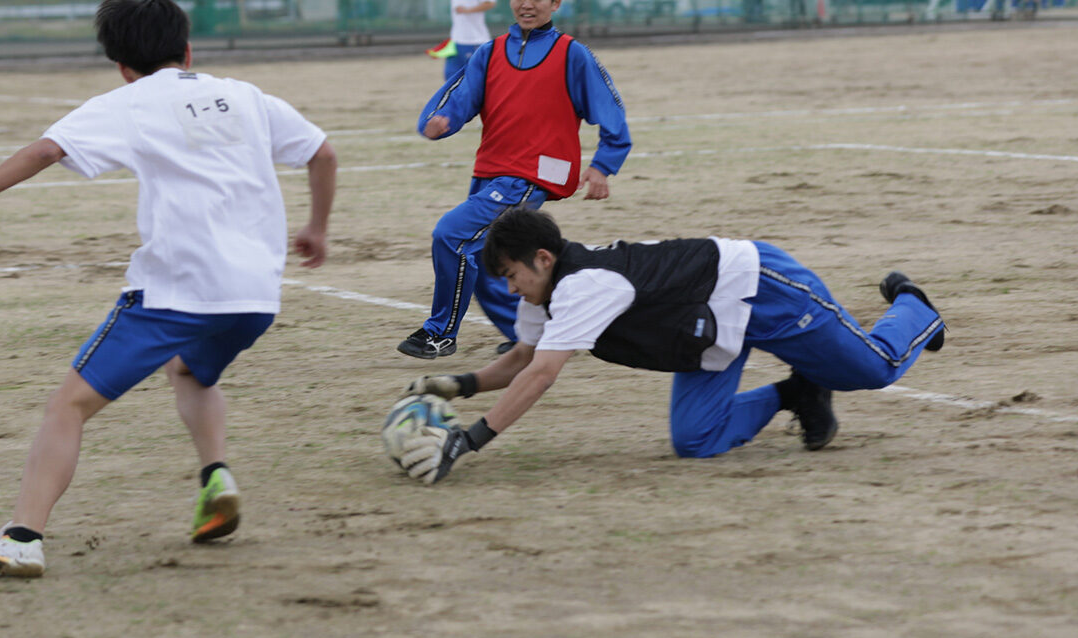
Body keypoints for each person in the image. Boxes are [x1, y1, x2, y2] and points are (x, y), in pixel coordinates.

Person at [0, 0, 338, 577]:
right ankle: (217, 477)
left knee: (68, 407)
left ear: (121, 66)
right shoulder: (244, 95)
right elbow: (322, 151)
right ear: (187, 50)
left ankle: (21, 538)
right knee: (189, 370)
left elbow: (44, 150)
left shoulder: (130, 101)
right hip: (256, 293)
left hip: (176, 291)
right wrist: (315, 227)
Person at [397, 207, 945, 483]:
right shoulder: (541, 293)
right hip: (704, 332)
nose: (511, 288)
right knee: (695, 440)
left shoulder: (583, 284)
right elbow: (520, 358)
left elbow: (541, 375)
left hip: (756, 288)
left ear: (543, 258)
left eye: (512, 275)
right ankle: (799, 394)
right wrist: (459, 384)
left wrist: (466, 442)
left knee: (874, 369)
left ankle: (914, 308)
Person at [397, 0, 631, 361]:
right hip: (492, 171)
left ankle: (439, 334)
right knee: (494, 258)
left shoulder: (571, 54)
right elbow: (459, 99)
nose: (527, 4)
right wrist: (439, 121)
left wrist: (603, 164)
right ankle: (526, 336)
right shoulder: (490, 53)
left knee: (450, 234)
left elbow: (611, 112)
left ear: (556, 3)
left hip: (532, 175)